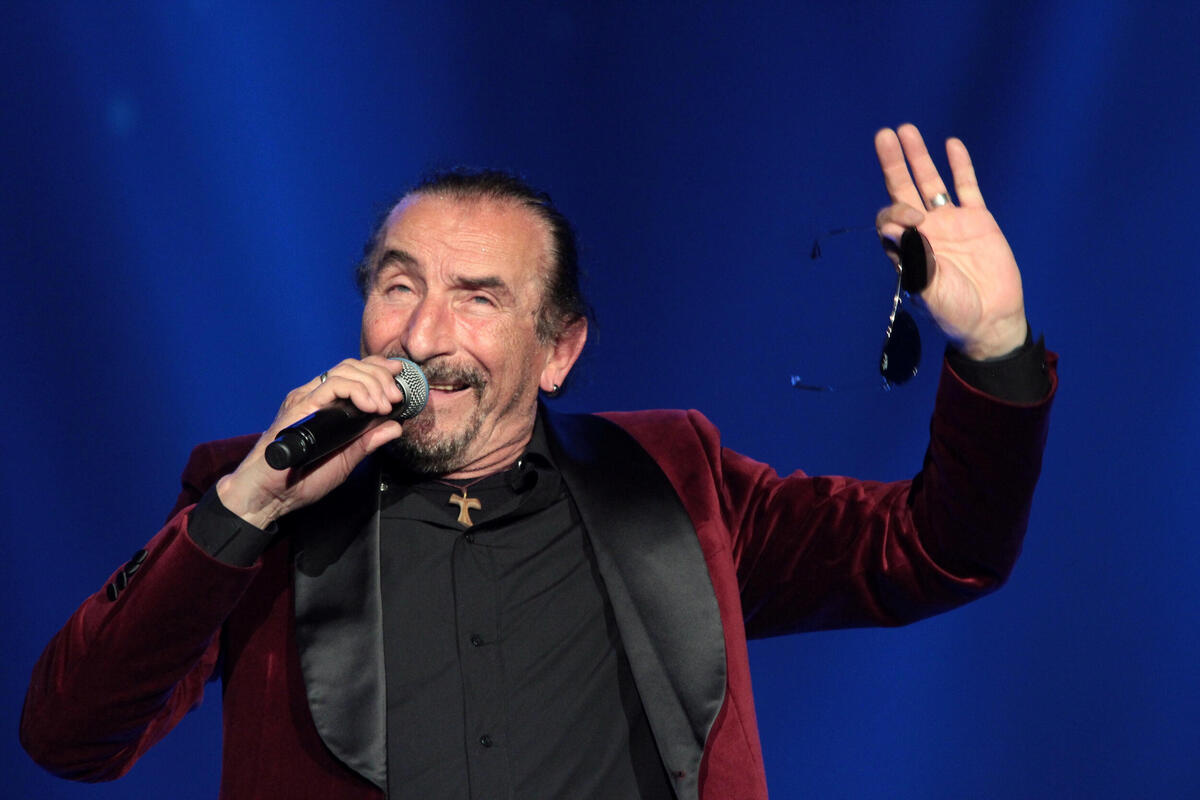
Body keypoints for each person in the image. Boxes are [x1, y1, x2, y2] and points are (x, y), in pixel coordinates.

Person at [20, 124, 1056, 800]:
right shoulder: (254, 504)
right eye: (398, 286)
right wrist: (249, 501)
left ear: (558, 350)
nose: (423, 335)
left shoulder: (675, 479)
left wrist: (996, 343)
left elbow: (941, 550)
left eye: (477, 297)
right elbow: (70, 734)